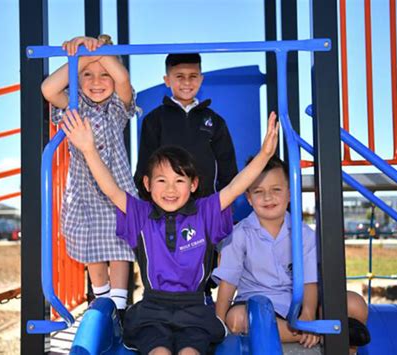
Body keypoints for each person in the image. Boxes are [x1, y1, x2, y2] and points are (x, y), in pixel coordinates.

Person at [60, 109, 279, 355]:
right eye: (162, 181)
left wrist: (265, 154)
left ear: (194, 185)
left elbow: (236, 187)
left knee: (189, 353)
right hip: (153, 311)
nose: (170, 189)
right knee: (159, 352)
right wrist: (89, 150)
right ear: (147, 184)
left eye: (180, 181)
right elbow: (111, 189)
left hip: (194, 310)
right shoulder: (141, 215)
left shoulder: (204, 212)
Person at [213, 156, 371, 351]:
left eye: (276, 190)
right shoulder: (238, 234)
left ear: (289, 194)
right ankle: (319, 334)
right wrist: (218, 325)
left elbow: (310, 281)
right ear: (249, 198)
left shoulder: (304, 234)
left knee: (356, 304)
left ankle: (321, 333)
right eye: (258, 192)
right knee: (236, 319)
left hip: (295, 303)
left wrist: (308, 313)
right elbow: (228, 282)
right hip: (258, 304)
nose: (267, 197)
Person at [41, 35, 137, 315]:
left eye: (103, 74)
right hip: (84, 191)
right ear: (77, 78)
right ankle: (101, 301)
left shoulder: (118, 107)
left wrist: (97, 49)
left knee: (120, 246)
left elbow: (122, 77)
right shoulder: (74, 105)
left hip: (116, 187)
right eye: (87, 74)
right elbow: (48, 89)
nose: (97, 81)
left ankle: (119, 306)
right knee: (91, 246)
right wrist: (81, 54)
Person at [135, 53, 238, 302]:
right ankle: (160, 299)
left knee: (202, 255)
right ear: (167, 80)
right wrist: (147, 200)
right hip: (165, 207)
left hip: (202, 205)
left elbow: (227, 165)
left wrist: (225, 203)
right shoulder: (154, 120)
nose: (186, 82)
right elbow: (145, 165)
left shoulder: (214, 121)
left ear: (201, 79)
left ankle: (202, 296)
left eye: (193, 76)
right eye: (179, 76)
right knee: (167, 254)